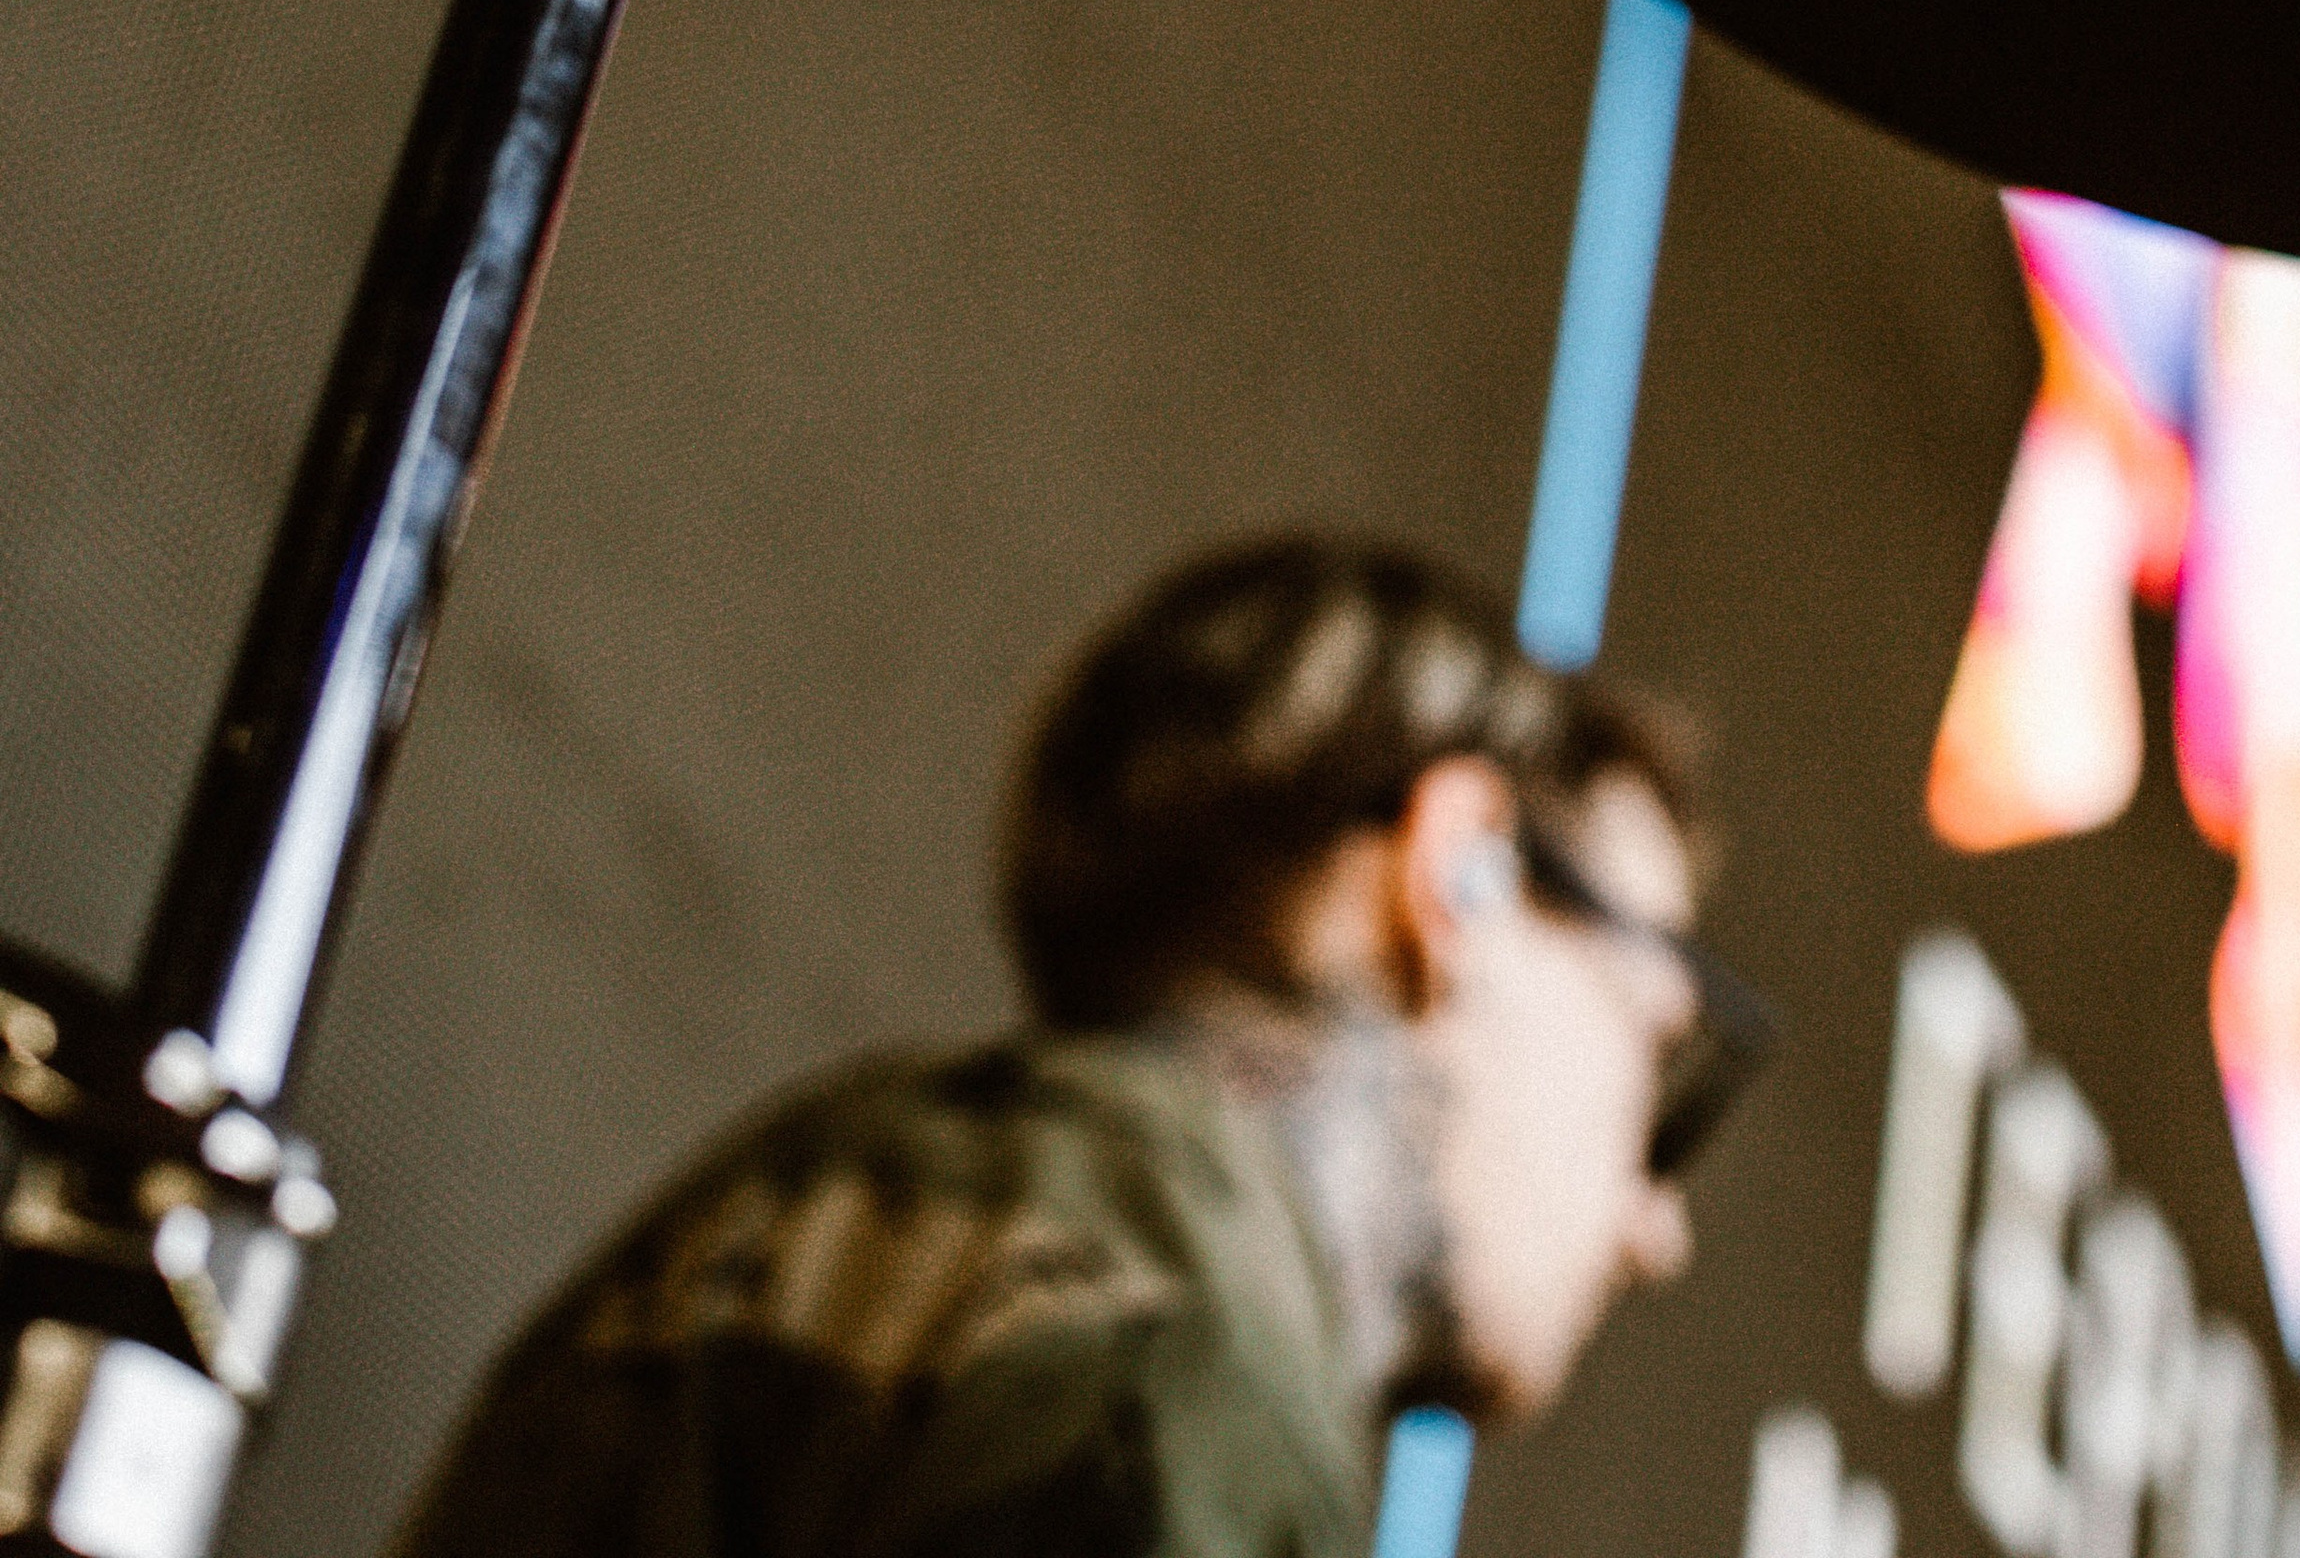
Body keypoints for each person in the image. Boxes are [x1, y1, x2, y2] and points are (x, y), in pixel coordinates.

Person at [390, 535, 1771, 1557]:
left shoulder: (845, 1197)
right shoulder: (1174, 1384)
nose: (1655, 1225)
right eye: (1664, 1065)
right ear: (1458, 873)